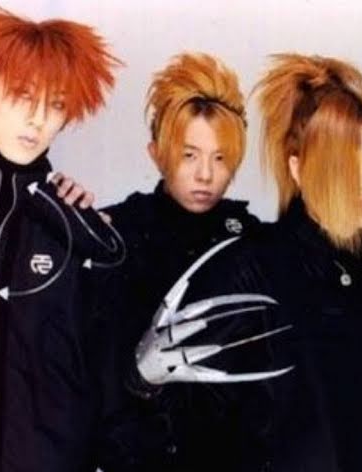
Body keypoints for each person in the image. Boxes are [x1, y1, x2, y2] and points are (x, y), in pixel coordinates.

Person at [131, 53, 362, 472]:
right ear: (298, 168)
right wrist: (143, 385)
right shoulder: (252, 268)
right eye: (344, 164)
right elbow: (191, 426)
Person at [0, 6, 123, 471]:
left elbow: (101, 387)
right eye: (22, 95)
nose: (39, 119)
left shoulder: (77, 228)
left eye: (56, 104)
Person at [92, 52, 260, 471]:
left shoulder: (251, 238)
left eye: (220, 158)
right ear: (157, 152)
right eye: (189, 155)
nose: (205, 174)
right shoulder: (117, 233)